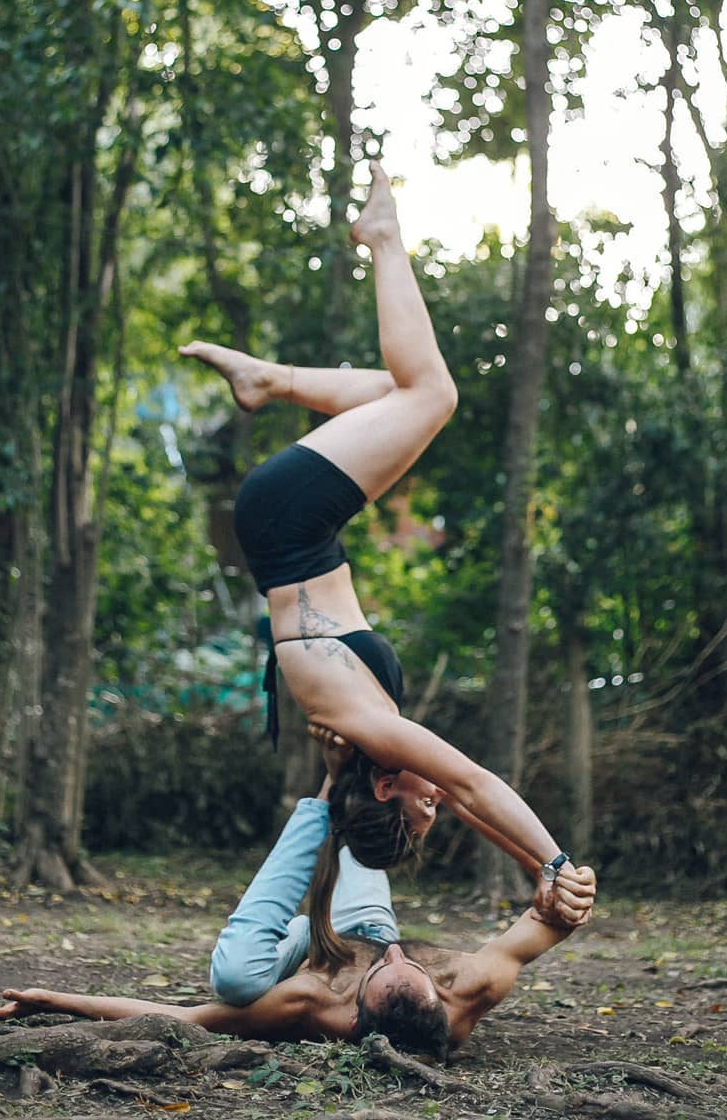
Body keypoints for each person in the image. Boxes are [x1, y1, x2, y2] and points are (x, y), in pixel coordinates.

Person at [177, 162, 593, 956]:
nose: (436, 801)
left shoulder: (366, 727)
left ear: (384, 784)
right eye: (431, 810)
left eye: (420, 806)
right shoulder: (363, 738)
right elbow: (461, 797)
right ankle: (269, 379)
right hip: (291, 532)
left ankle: (382, 238)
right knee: (404, 391)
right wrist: (534, 865)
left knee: (433, 393)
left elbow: (470, 783)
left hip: (287, 522)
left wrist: (554, 860)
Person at [0, 736, 597, 1060]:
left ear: (357, 1013)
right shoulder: (471, 988)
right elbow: (549, 921)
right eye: (412, 967)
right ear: (438, 996)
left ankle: (326, 789)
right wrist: (564, 891)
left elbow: (184, 1017)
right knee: (374, 831)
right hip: (364, 916)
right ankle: (363, 762)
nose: (400, 954)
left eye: (386, 968)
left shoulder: (312, 1004)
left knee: (235, 979)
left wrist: (51, 1002)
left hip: (309, 950)